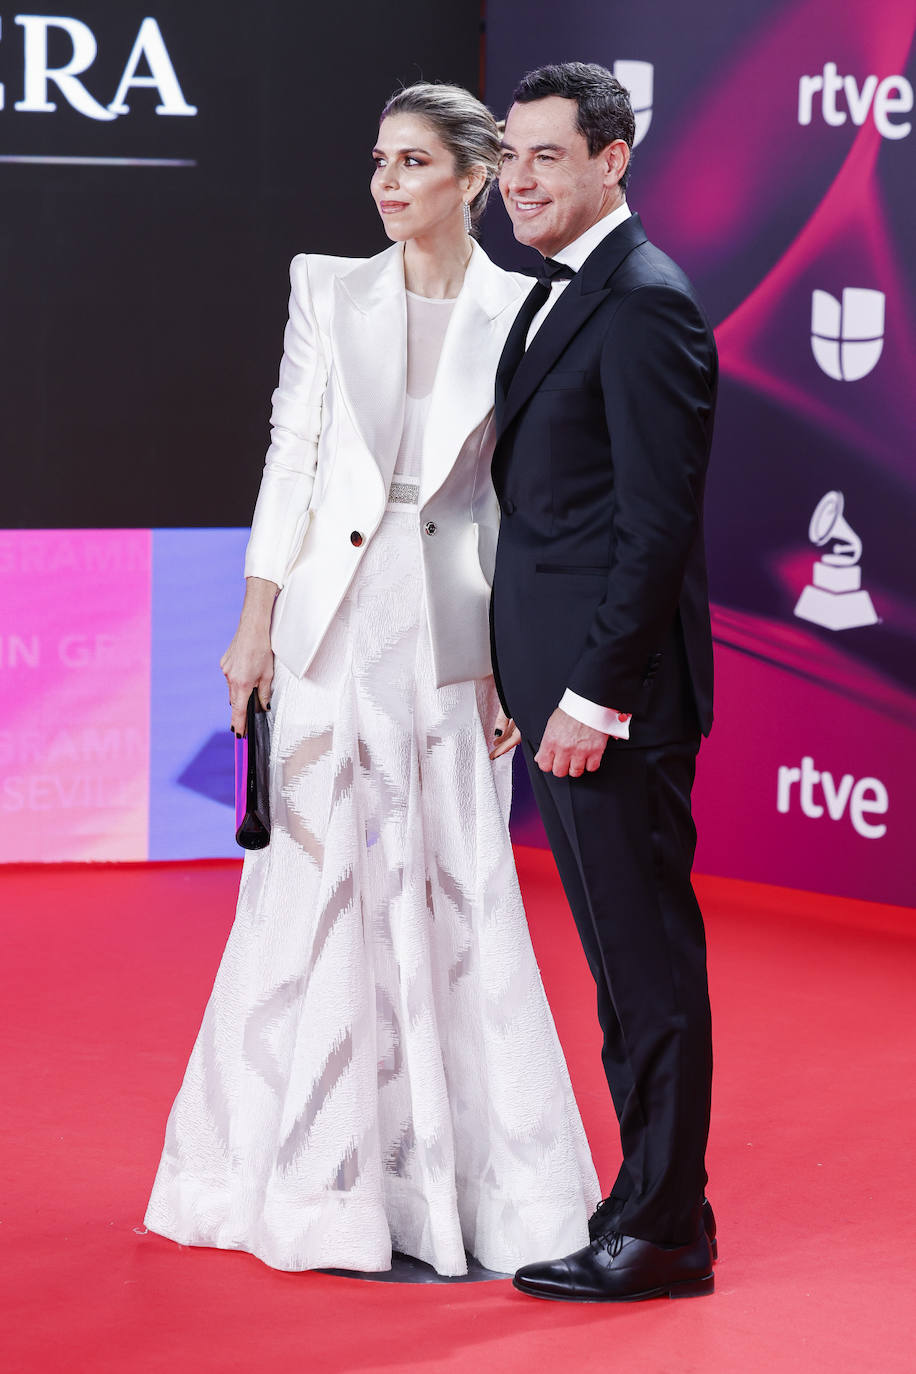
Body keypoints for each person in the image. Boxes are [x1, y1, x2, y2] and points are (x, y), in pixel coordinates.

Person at [144, 82, 599, 1279]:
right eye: (378, 164)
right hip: (326, 629)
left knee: (452, 880)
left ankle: (452, 1188)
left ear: (472, 176)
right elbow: (288, 457)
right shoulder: (323, 286)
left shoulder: (528, 308)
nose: (385, 184)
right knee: (313, 888)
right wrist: (255, 626)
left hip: (447, 634)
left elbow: (516, 504)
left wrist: (507, 663)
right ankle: (302, 1180)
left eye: (410, 164)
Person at [490, 62, 718, 1301]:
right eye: (510, 156)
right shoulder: (564, 290)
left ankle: (660, 1237)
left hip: (611, 706)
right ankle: (662, 1198)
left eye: (546, 157)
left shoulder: (641, 303)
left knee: (644, 971)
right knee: (620, 971)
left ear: (611, 160)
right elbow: (548, 516)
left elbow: (653, 525)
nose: (518, 180)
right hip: (565, 688)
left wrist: (593, 697)